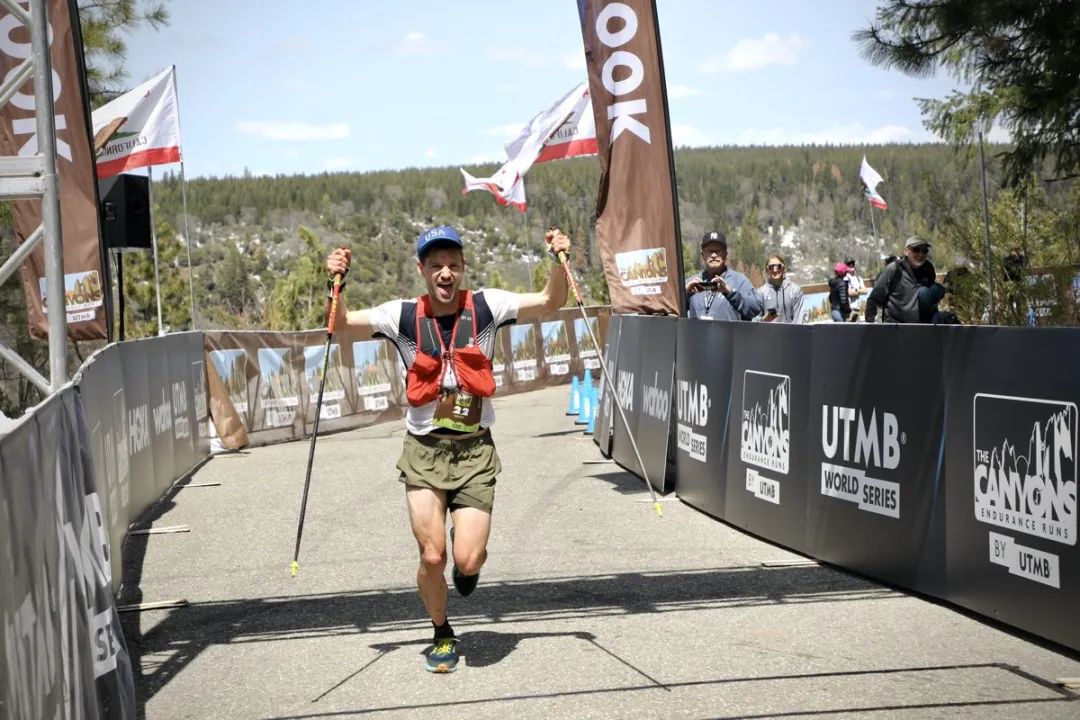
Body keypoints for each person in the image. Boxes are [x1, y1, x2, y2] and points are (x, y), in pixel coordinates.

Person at [324, 224, 571, 674]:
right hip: (423, 451)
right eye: (435, 265)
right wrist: (335, 282)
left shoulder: (486, 307)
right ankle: (441, 631)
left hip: (475, 451)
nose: (445, 273)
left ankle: (467, 564)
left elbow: (552, 301)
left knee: (467, 559)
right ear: (422, 269)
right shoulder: (401, 316)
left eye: (453, 265)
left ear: (462, 268)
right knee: (432, 554)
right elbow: (340, 325)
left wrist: (558, 260)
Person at [865, 236, 946, 323]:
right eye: (916, 250)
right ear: (906, 252)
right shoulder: (894, 269)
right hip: (895, 328)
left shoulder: (928, 269)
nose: (921, 254)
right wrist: (870, 325)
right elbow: (874, 298)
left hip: (921, 329)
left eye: (925, 251)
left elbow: (928, 300)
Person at [685, 230, 761, 320]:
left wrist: (730, 293)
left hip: (730, 334)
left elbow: (755, 309)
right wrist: (685, 294)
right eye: (709, 251)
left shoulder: (740, 281)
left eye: (718, 251)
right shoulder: (692, 283)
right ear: (703, 255)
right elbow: (672, 312)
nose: (713, 255)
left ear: (725, 254)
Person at [756, 254, 805, 323]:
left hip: (791, 333)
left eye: (778, 266)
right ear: (767, 270)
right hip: (768, 333)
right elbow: (754, 322)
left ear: (783, 268)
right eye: (771, 267)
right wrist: (764, 319)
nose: (775, 270)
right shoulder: (760, 293)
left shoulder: (795, 291)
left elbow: (799, 320)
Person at [844, 257, 865, 321]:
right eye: (849, 264)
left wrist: (855, 290)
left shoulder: (858, 278)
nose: (851, 265)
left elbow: (865, 291)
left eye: (853, 263)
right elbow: (847, 292)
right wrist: (859, 290)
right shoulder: (845, 278)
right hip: (848, 311)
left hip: (857, 310)